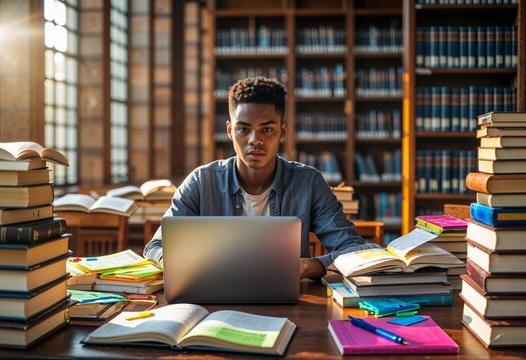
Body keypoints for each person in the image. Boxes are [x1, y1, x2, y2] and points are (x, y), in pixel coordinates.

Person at [144, 76, 379, 279]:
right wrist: (180, 265)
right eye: (243, 129)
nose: (254, 140)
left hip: (290, 305)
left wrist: (313, 265)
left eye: (266, 129)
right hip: (213, 303)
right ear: (229, 131)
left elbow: (355, 250)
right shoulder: (201, 182)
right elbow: (156, 246)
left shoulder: (308, 183)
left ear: (282, 131)